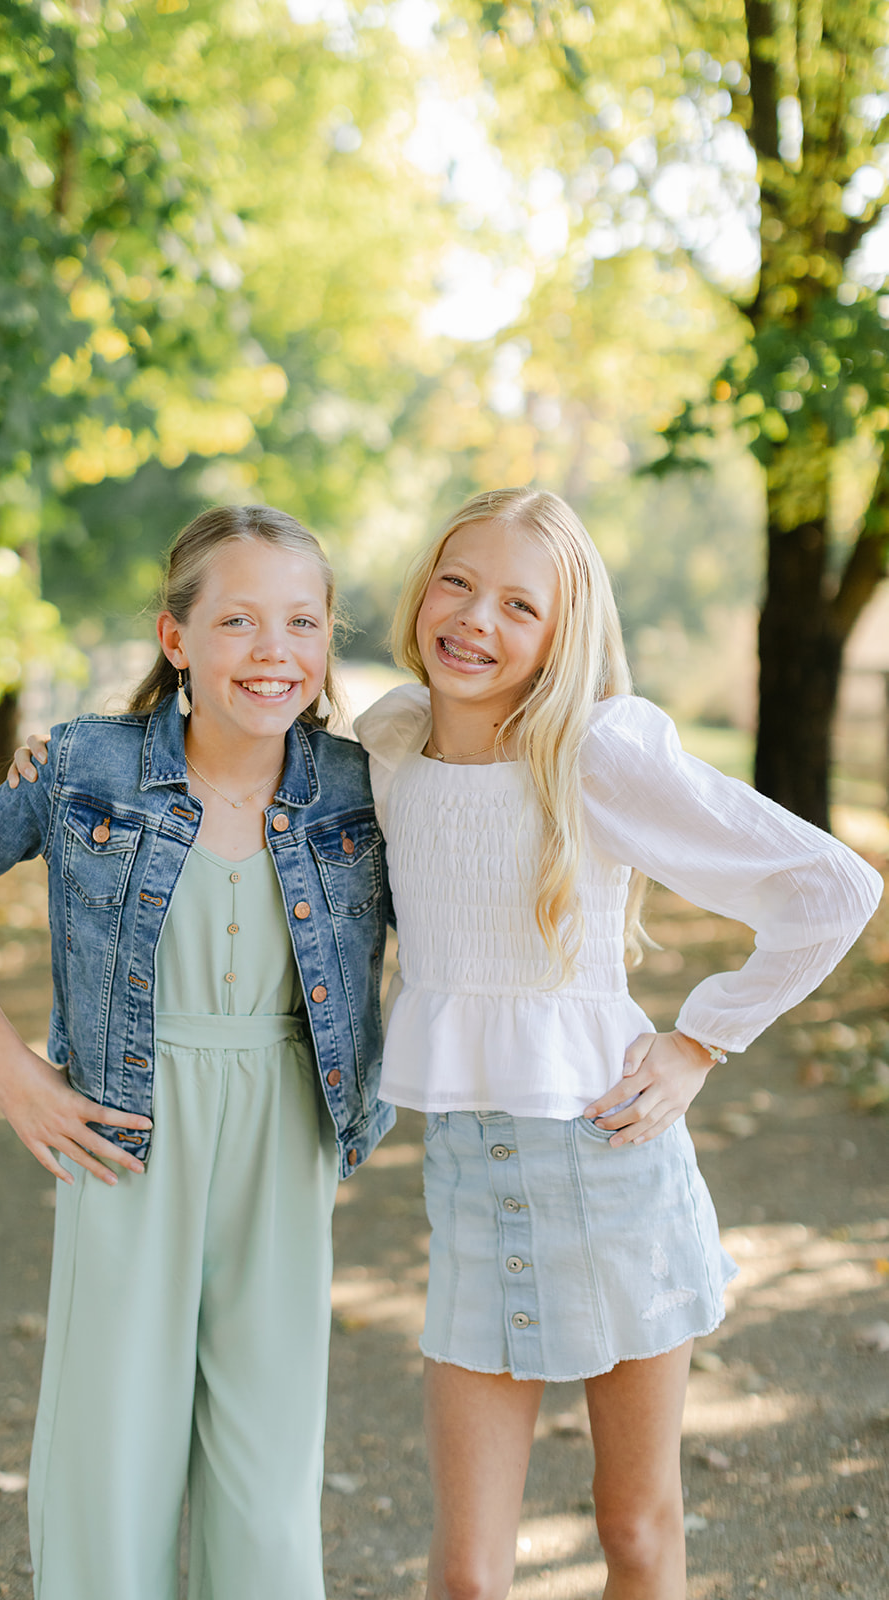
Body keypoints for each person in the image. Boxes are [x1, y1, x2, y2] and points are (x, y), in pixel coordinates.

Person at [351, 487, 882, 1600]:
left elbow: (830, 887)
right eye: (456, 581)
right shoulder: (388, 742)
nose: (473, 619)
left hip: (609, 1172)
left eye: (516, 603)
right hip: (466, 1180)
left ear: (562, 633)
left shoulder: (591, 753)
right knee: (463, 1575)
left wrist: (701, 1039)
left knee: (633, 1530)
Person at [0, 504, 395, 1600]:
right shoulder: (84, 769)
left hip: (288, 1122)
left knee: (265, 1465)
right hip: (125, 1122)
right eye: (238, 621)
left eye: (301, 621)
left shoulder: (365, 785)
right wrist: (15, 1075)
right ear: (176, 640)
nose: (273, 652)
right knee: (111, 1449)